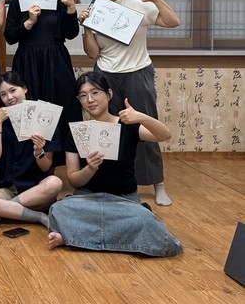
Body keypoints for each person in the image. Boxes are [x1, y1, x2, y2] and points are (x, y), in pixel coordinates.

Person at [47, 72, 182, 257]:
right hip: (86, 200)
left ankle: (74, 237)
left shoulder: (127, 125)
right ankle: (118, 239)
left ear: (109, 94)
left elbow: (165, 135)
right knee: (58, 209)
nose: (90, 99)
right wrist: (90, 169)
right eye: (83, 95)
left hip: (123, 201)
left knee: (143, 218)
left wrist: (141, 117)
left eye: (95, 92)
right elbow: (74, 180)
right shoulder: (78, 132)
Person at [79, 0, 180, 206]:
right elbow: (93, 53)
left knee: (144, 125)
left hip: (137, 71)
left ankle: (158, 184)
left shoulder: (138, 7)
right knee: (107, 129)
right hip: (106, 74)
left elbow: (173, 21)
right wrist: (87, 28)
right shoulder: (92, 12)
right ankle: (108, 183)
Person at [0, 72, 62, 227]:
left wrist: (39, 152)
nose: (9, 97)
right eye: (3, 94)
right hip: (4, 187)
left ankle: (1, 210)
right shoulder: (2, 119)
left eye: (13, 90)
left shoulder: (45, 117)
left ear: (25, 89)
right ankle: (36, 217)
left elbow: (46, 166)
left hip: (33, 190)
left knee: (55, 183)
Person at [4, 0, 80, 120]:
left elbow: (71, 34)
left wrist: (71, 8)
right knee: (29, 110)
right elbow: (9, 37)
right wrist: (29, 22)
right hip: (27, 61)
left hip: (56, 60)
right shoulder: (17, 1)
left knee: (62, 107)